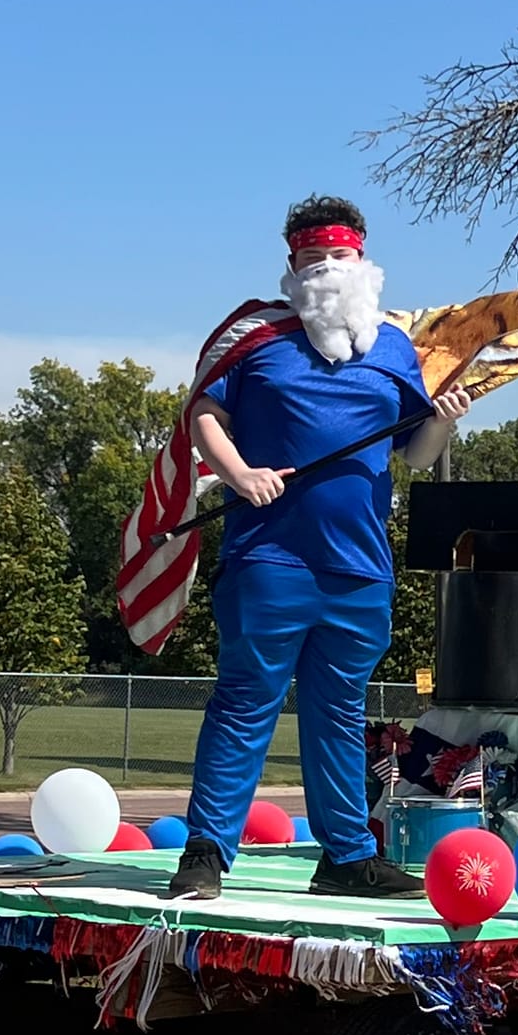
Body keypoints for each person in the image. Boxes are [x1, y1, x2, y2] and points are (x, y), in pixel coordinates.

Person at [167, 198, 470, 901]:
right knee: (246, 700)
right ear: (292, 265)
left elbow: (416, 453)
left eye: (339, 256)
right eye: (313, 257)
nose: (328, 268)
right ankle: (206, 852)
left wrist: (446, 422)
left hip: (360, 568)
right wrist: (239, 474)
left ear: (362, 260)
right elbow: (204, 414)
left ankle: (347, 856)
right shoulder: (255, 335)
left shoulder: (393, 347)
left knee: (339, 712)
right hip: (269, 558)